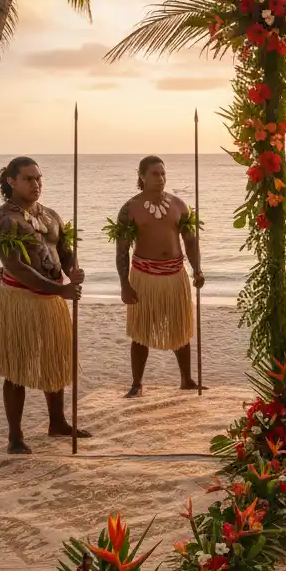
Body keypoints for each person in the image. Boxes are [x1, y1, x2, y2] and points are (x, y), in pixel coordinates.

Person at [0, 157, 90, 453]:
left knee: (55, 360)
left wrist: (73, 270)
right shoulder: (4, 219)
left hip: (55, 295)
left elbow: (65, 252)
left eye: (39, 178)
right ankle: (15, 437)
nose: (36, 184)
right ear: (11, 182)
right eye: (29, 179)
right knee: (17, 366)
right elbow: (16, 266)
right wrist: (61, 291)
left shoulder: (51, 215)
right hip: (21, 298)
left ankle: (57, 423)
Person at [114, 156, 205, 397]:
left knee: (180, 328)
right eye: (155, 174)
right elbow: (122, 250)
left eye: (163, 174)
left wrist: (197, 269)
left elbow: (190, 241)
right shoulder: (129, 208)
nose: (161, 178)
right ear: (142, 176)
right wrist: (125, 284)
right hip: (144, 276)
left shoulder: (179, 205)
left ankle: (186, 379)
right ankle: (137, 383)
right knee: (141, 331)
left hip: (175, 275)